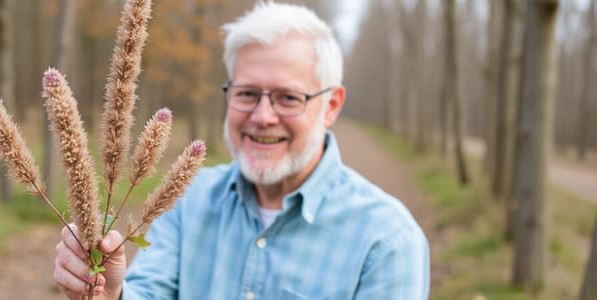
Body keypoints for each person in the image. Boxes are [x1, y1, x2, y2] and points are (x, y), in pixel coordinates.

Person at [53, 2, 430, 299]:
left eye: (288, 97)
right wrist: (111, 295)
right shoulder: (188, 200)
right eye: (247, 93)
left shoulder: (388, 242)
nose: (263, 117)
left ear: (331, 105)